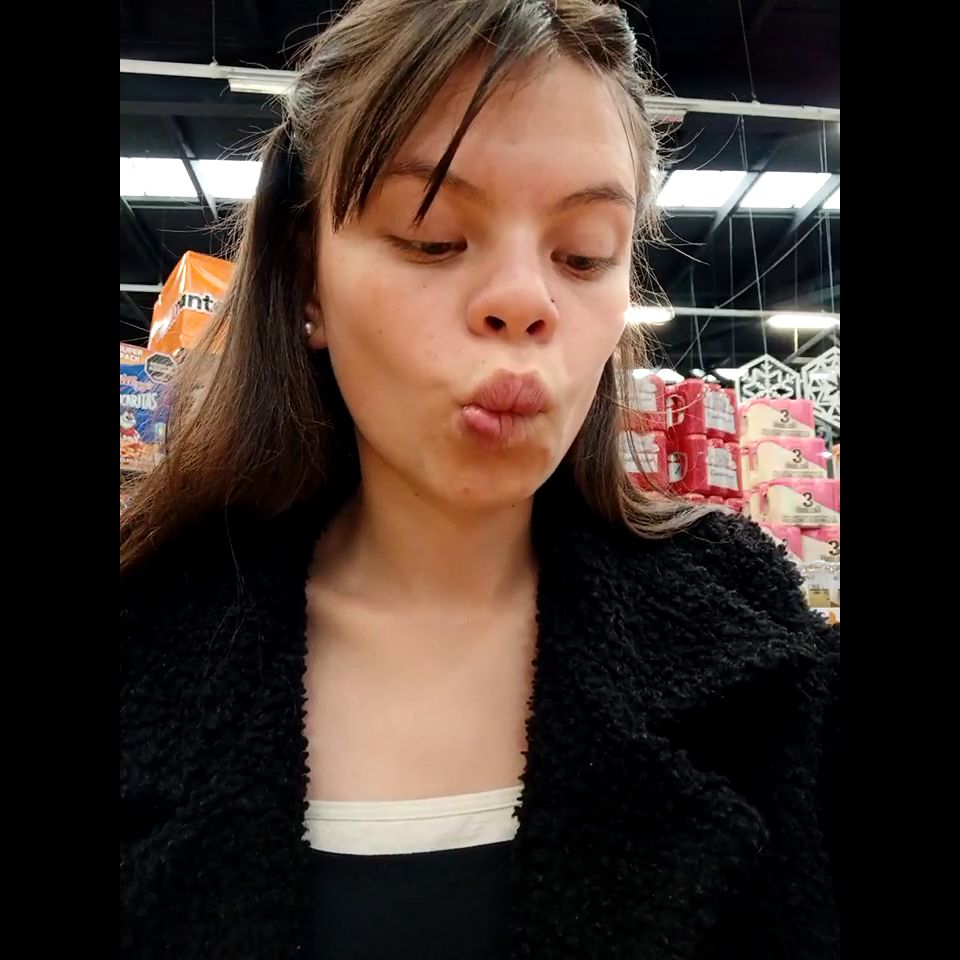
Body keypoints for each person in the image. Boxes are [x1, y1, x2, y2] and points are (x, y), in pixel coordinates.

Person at [120, 1, 840, 957]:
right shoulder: (149, 636)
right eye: (431, 237)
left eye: (584, 255)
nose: (525, 301)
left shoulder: (759, 655)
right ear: (306, 281)